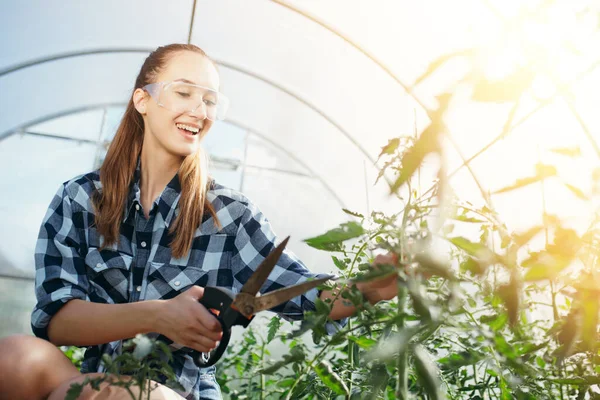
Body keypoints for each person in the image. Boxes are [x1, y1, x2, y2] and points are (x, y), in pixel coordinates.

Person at [0, 43, 399, 400]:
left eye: (210, 100)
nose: (199, 110)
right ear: (142, 100)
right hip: (87, 384)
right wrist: (159, 314)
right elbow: (57, 320)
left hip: (178, 394)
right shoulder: (80, 199)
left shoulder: (230, 215)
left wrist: (372, 287)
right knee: (14, 358)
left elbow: (307, 296)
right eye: (184, 92)